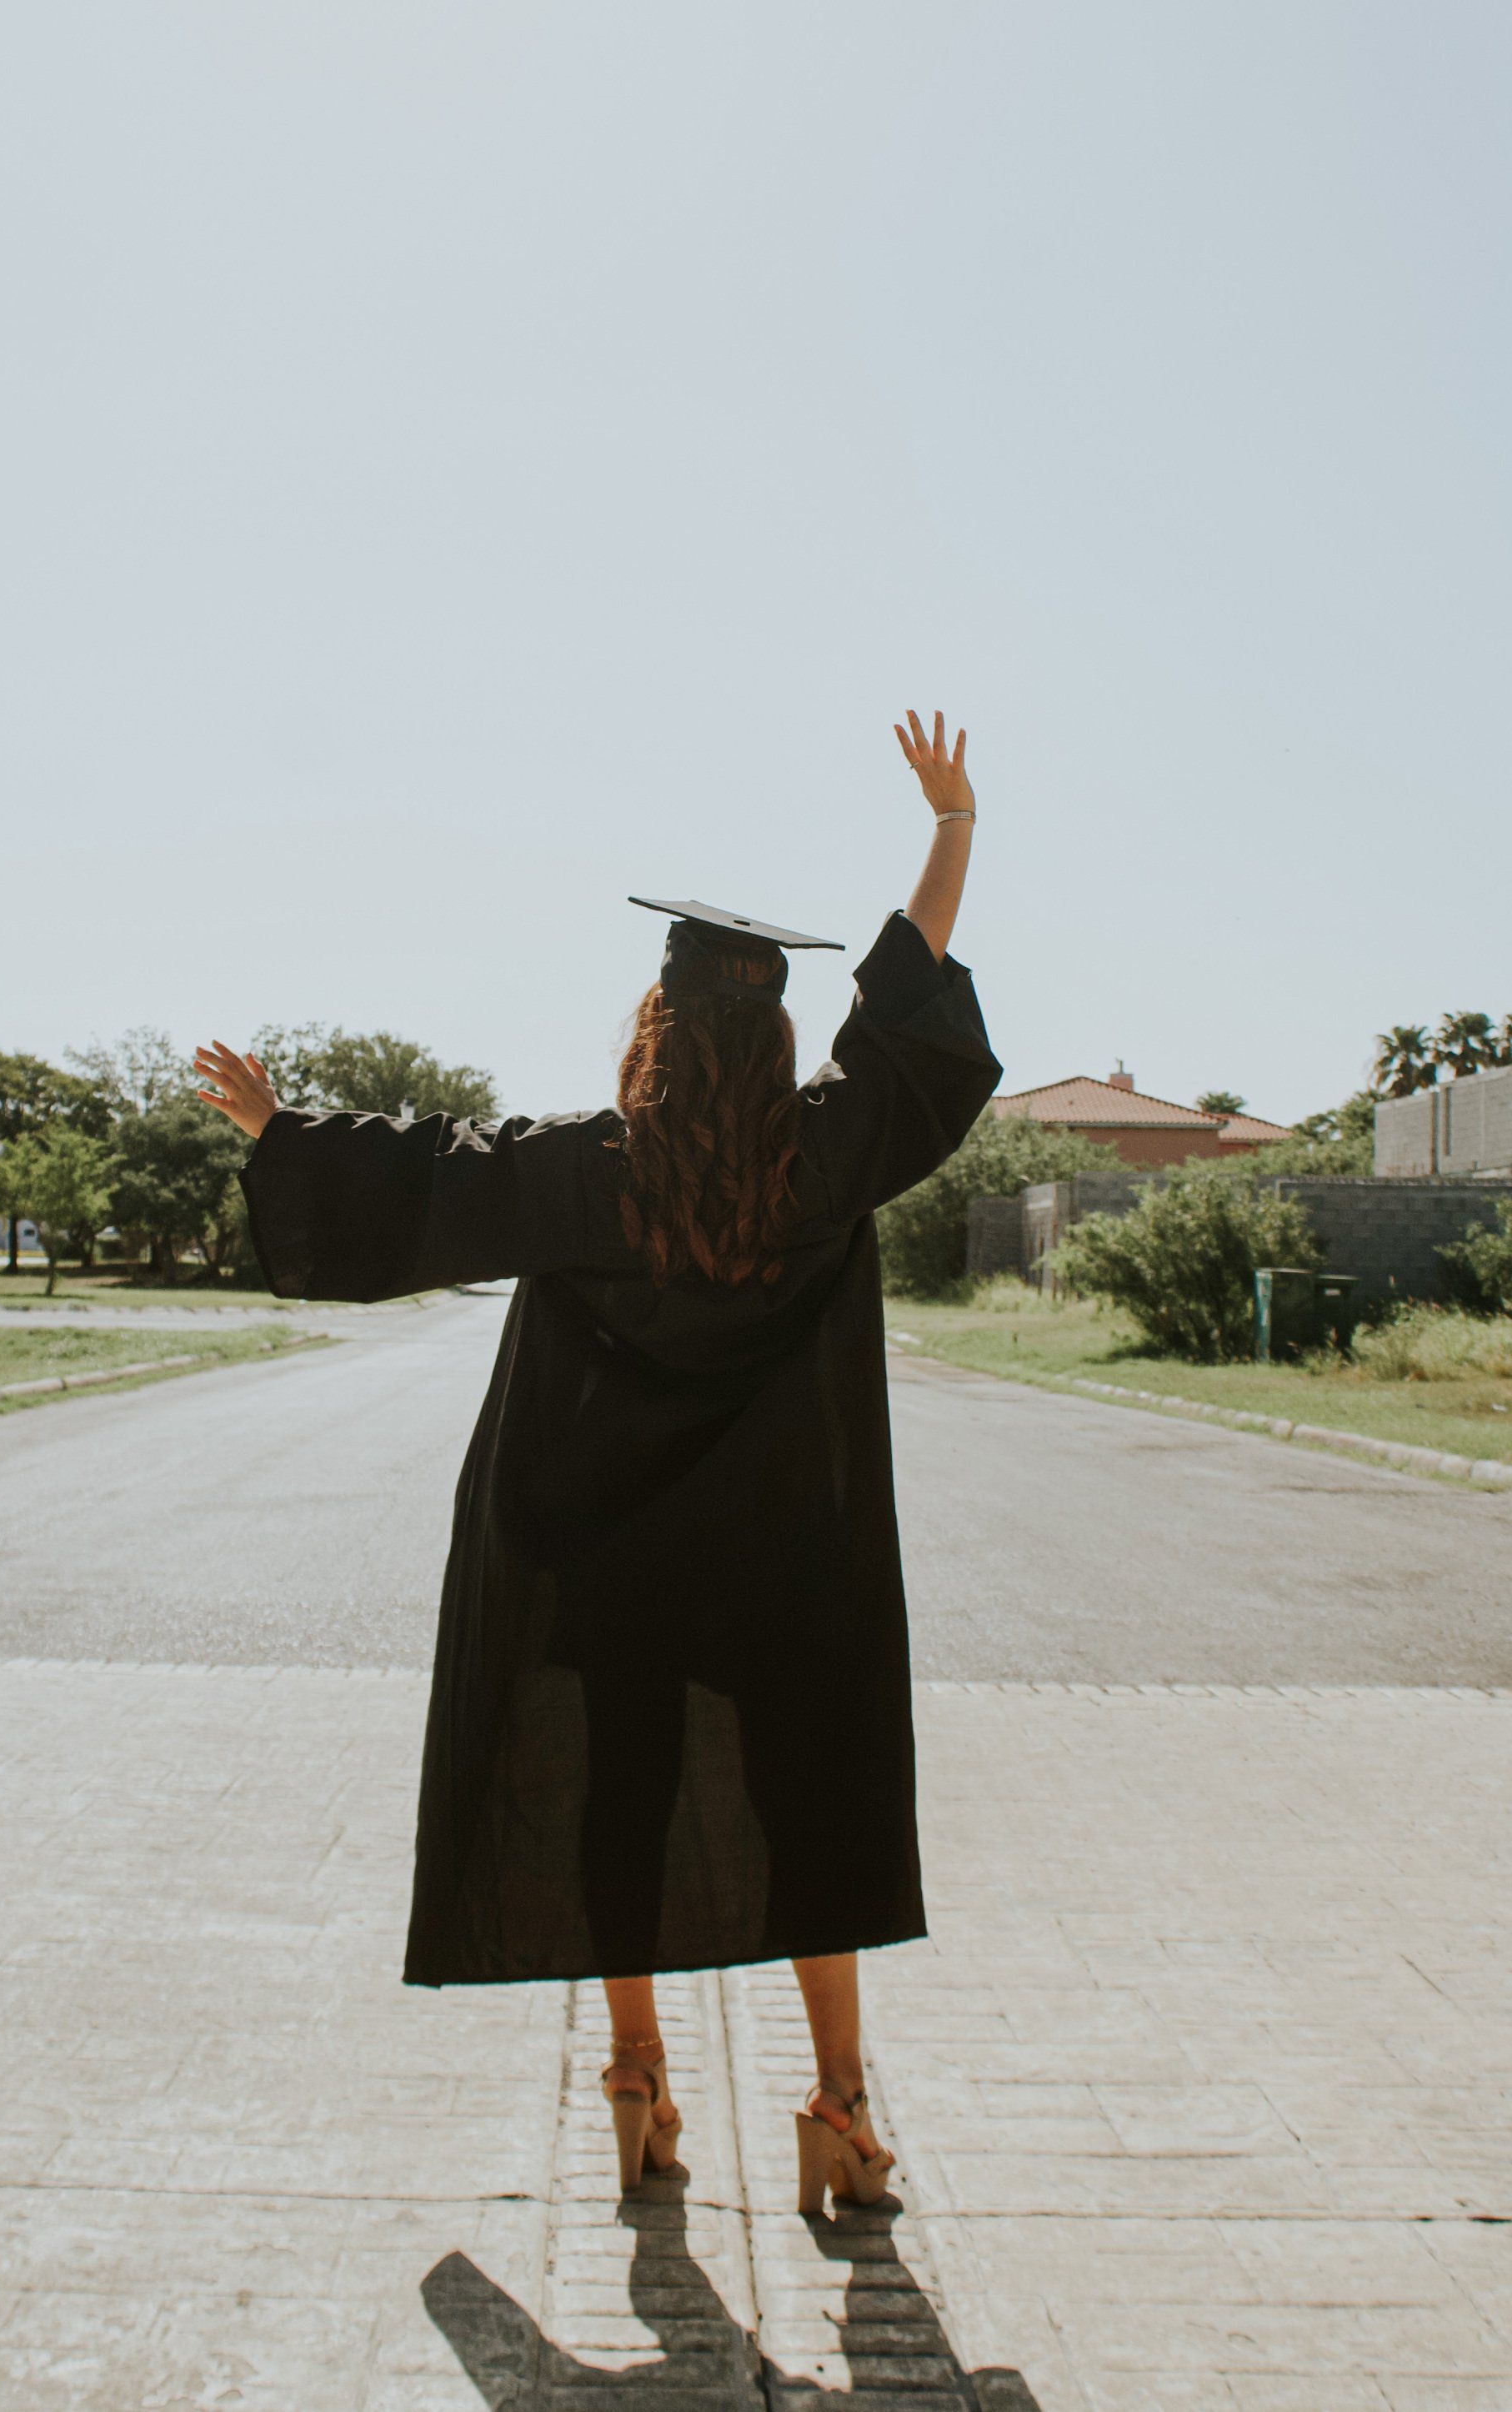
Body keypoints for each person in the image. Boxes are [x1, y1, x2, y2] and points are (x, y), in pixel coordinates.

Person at [195, 706, 1000, 2213]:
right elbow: (907, 1027)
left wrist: (279, 1125)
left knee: (621, 1802)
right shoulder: (824, 1158)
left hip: (609, 1567)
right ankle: (839, 2105)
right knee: (809, 1806)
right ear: (772, 1036)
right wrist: (953, 826)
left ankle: (636, 2077)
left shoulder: (585, 1169)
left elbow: (420, 1173)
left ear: (657, 1026)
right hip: (777, 1565)